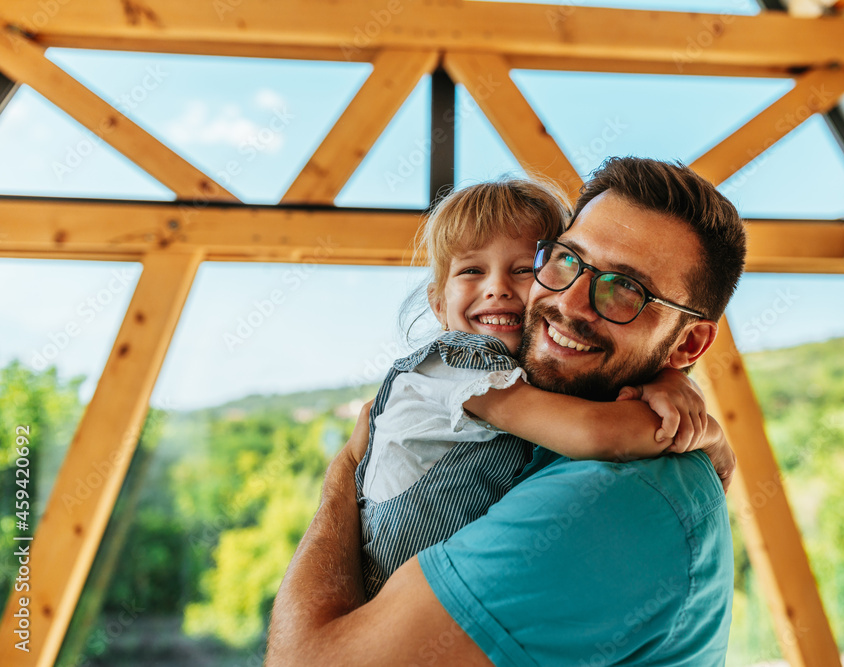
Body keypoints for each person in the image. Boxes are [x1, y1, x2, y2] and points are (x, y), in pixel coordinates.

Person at [267, 157, 745, 666]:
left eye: (626, 288)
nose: (571, 301)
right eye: (567, 260)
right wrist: (691, 412)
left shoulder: (614, 496)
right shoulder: (477, 379)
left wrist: (343, 472)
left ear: (689, 344)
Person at [356, 178, 733, 598]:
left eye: (521, 270)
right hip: (378, 584)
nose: (496, 288)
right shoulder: (458, 365)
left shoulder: (526, 378)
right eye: (470, 271)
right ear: (439, 304)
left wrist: (668, 376)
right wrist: (710, 436)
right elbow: (595, 432)